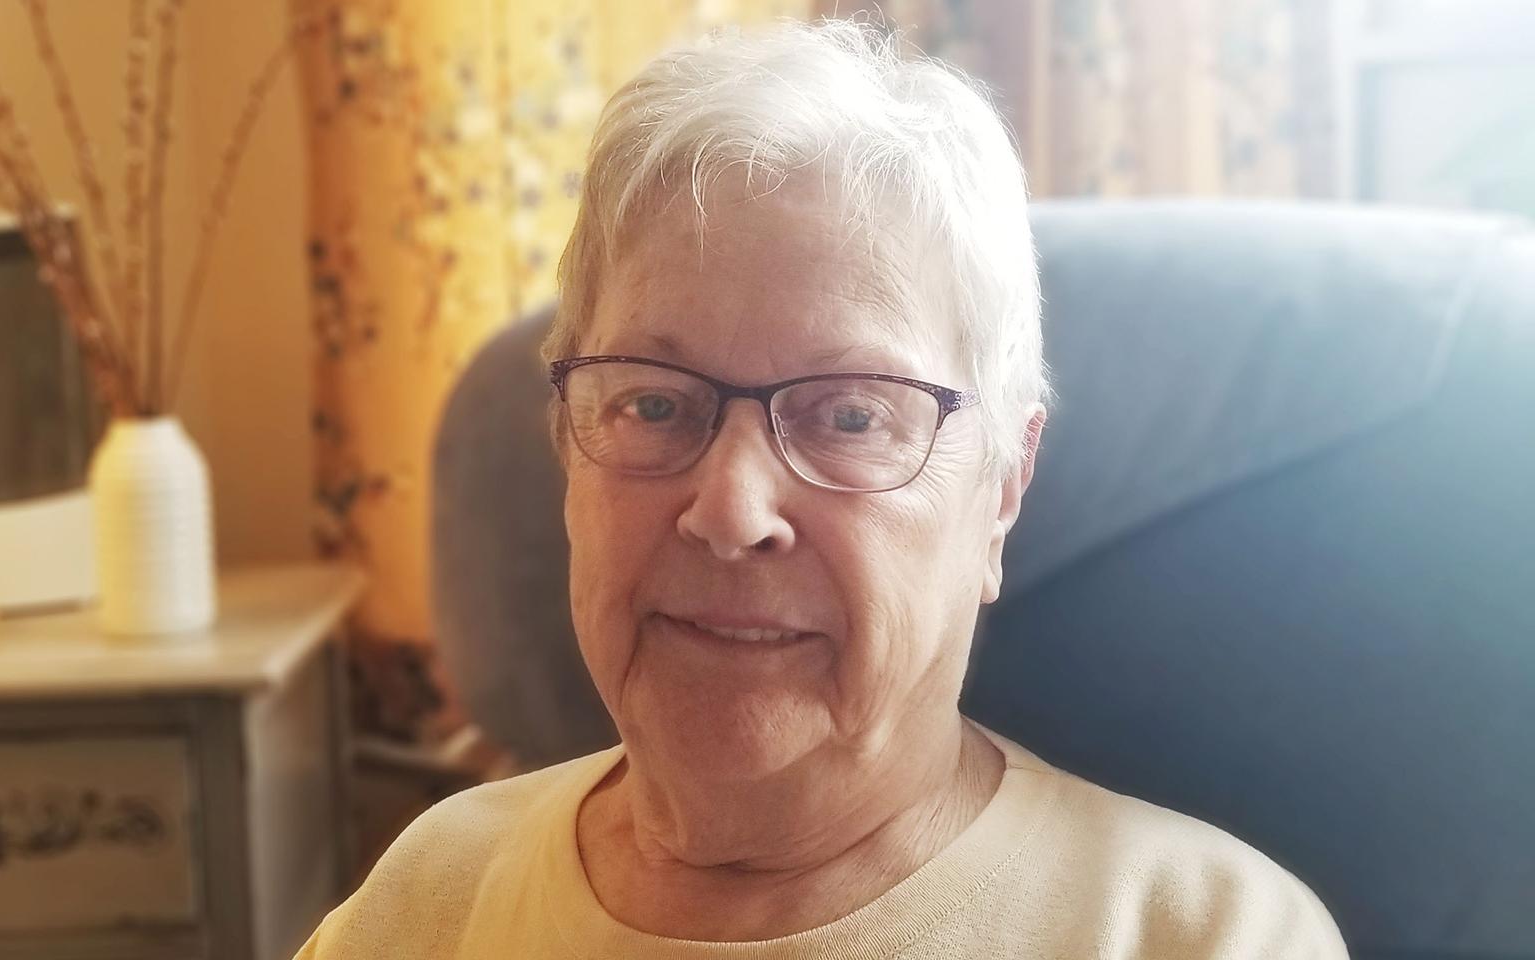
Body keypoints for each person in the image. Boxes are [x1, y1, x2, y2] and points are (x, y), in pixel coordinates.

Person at [297, 18, 1348, 959]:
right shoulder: (425, 902)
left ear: (1000, 491)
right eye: (655, 405)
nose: (731, 511)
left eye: (851, 415)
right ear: (569, 453)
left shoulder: (1206, 934)